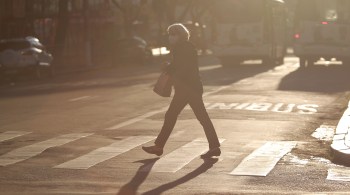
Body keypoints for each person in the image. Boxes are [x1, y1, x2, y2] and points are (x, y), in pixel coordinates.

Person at [142, 23, 221, 159]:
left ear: (180, 35)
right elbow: (182, 66)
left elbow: (182, 68)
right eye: (170, 34)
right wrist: (170, 67)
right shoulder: (186, 47)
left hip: (187, 89)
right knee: (200, 117)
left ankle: (159, 146)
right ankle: (214, 147)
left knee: (172, 115)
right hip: (191, 88)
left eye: (173, 34)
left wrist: (169, 68)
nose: (170, 37)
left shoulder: (182, 48)